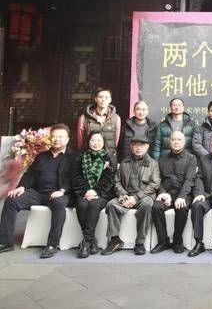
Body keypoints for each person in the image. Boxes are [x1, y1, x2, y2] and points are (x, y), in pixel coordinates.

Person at [0, 124, 75, 258]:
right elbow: (30, 174)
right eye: (54, 136)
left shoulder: (73, 157)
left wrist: (62, 190)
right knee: (12, 200)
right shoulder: (42, 156)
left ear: (68, 139)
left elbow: (75, 178)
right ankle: (5, 242)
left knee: (59, 204)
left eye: (60, 137)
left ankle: (52, 244)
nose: (56, 139)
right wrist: (22, 187)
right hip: (37, 193)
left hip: (60, 193)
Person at [102, 135, 160, 256]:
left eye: (141, 145)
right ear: (131, 147)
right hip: (126, 196)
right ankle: (115, 240)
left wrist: (136, 197)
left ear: (147, 147)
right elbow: (117, 181)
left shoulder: (153, 163)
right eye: (135, 145)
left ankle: (140, 242)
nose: (138, 148)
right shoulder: (125, 162)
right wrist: (124, 195)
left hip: (143, 197)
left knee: (147, 205)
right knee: (111, 204)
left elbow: (154, 184)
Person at [150, 131, 198, 254]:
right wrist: (163, 193)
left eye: (179, 140)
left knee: (181, 208)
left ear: (184, 142)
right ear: (169, 141)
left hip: (183, 193)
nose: (176, 142)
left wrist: (182, 196)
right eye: (173, 139)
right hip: (166, 193)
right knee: (156, 207)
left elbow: (190, 180)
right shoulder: (162, 159)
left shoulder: (191, 158)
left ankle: (177, 241)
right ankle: (163, 241)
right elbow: (158, 179)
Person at [71, 131, 116, 258]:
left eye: (99, 140)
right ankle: (92, 240)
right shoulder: (81, 157)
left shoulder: (109, 158)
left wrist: (95, 191)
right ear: (88, 142)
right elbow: (76, 176)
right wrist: (86, 191)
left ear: (104, 142)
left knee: (94, 205)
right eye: (93, 140)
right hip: (84, 192)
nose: (96, 143)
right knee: (81, 205)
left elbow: (110, 179)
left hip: (102, 193)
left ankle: (86, 243)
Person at [77, 87, 121, 158]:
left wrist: (111, 152)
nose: (103, 100)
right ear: (96, 99)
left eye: (106, 97)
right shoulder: (84, 117)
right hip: (89, 156)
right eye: (100, 97)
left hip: (108, 156)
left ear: (110, 100)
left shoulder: (116, 118)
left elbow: (116, 139)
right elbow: (80, 139)